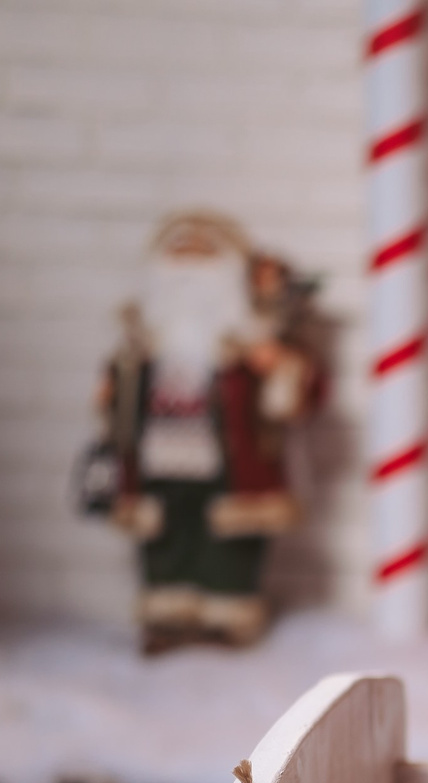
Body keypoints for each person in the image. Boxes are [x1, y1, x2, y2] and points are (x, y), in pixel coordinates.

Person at [92, 211, 321, 653]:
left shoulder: (251, 340)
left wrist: (280, 368)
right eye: (179, 259)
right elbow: (123, 384)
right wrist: (111, 390)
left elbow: (298, 395)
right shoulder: (144, 337)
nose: (189, 273)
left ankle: (227, 614)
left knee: (229, 539)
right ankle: (167, 616)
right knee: (164, 535)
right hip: (159, 454)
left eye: (203, 260)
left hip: (230, 459)